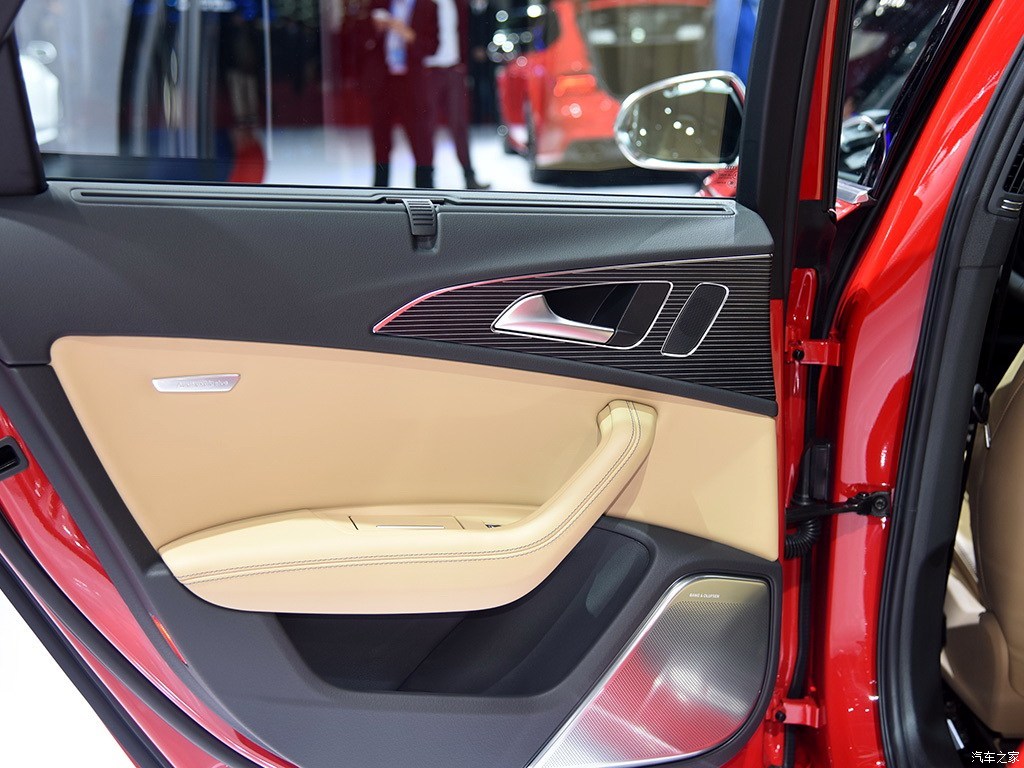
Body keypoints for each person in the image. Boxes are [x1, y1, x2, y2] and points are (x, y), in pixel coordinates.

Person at [360, 0, 440, 187]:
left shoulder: (427, 6)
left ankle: (425, 188)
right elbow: (361, 39)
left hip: (412, 82)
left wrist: (407, 33)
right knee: (381, 139)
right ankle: (380, 188)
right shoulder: (380, 4)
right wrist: (377, 29)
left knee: (420, 137)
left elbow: (432, 46)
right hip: (383, 80)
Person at [424, 0, 490, 189]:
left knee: (459, 124)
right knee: (427, 127)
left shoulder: (458, 4)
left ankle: (469, 176)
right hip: (429, 70)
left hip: (454, 70)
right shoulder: (423, 4)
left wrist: (464, 64)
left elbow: (471, 27)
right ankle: (426, 180)